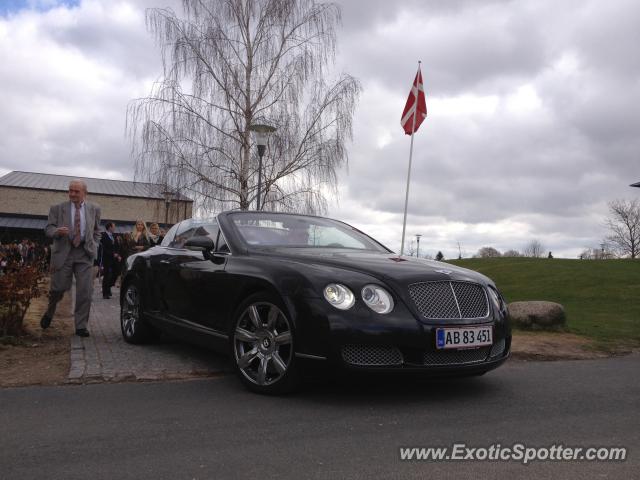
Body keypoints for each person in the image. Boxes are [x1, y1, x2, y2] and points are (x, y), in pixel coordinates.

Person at [41, 180, 101, 337]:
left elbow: (96, 230)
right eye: (70, 191)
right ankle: (50, 311)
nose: (72, 194)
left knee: (85, 292)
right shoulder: (57, 208)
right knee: (58, 289)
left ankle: (81, 326)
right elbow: (48, 228)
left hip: (84, 254)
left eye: (76, 191)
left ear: (84, 193)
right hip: (64, 253)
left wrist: (94, 245)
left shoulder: (94, 209)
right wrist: (56, 232)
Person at [99, 221, 121, 299]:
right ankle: (106, 293)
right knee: (107, 274)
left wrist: (117, 254)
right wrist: (112, 253)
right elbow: (103, 247)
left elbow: (117, 246)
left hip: (115, 258)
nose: (115, 228)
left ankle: (108, 286)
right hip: (107, 258)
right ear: (110, 227)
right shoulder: (103, 235)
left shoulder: (114, 236)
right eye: (114, 226)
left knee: (117, 272)